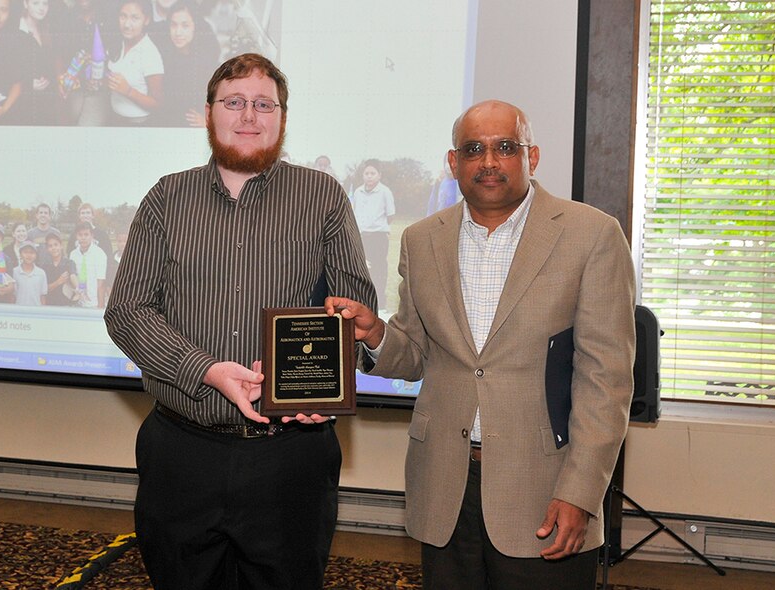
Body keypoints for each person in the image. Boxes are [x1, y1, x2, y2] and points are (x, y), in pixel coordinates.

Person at [326, 100, 636, 590]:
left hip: (544, 489)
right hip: (445, 488)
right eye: (474, 149)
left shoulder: (591, 235)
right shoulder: (422, 240)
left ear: (531, 156)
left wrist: (580, 493)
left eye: (505, 148)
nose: (488, 162)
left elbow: (607, 381)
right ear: (453, 163)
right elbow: (418, 354)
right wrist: (377, 334)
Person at [104, 53, 376, 589]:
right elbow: (127, 312)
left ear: (281, 117)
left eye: (263, 105)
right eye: (234, 102)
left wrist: (322, 383)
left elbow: (351, 313)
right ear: (208, 113)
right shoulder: (166, 198)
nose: (249, 116)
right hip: (182, 454)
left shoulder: (322, 197)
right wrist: (207, 370)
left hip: (289, 461)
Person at [154, 0, 219, 127]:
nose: (178, 32)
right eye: (173, 25)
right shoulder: (163, 53)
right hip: (166, 124)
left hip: (191, 128)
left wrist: (208, 121)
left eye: (185, 26)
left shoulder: (207, 61)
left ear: (196, 27)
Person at [107, 0, 164, 125]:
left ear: (146, 20)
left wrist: (128, 91)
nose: (127, 24)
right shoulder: (117, 43)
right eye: (123, 16)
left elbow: (158, 104)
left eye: (135, 18)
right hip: (113, 117)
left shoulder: (150, 53)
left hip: (137, 123)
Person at [350, 160, 395, 311]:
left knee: (379, 270)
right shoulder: (358, 192)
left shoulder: (385, 192)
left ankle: (380, 304)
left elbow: (390, 215)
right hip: (362, 237)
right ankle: (364, 302)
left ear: (379, 175)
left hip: (379, 237)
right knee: (363, 269)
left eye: (372, 173)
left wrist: (378, 226)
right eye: (366, 173)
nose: (369, 177)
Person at [19, 0, 57, 124]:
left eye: (45, 3)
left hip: (46, 95)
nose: (42, 8)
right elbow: (6, 68)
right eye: (35, 3)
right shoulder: (17, 29)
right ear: (25, 4)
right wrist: (27, 83)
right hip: (23, 98)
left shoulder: (45, 26)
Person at [69, 222, 106, 308]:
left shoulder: (99, 254)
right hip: (78, 302)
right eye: (80, 235)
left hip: (94, 302)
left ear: (92, 236)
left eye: (86, 234)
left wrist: (100, 306)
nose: (83, 238)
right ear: (76, 236)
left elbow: (101, 282)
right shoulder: (73, 254)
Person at [41, 230, 79, 306]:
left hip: (66, 305)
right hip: (49, 305)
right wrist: (59, 281)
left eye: (56, 245)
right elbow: (44, 289)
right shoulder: (44, 266)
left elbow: (73, 276)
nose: (53, 248)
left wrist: (78, 288)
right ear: (47, 249)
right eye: (50, 246)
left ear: (61, 246)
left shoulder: (69, 263)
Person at [12, 240, 48, 305]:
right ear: (20, 254)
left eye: (32, 252)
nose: (29, 255)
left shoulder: (41, 273)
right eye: (25, 252)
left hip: (36, 312)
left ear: (36, 255)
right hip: (18, 311)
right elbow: (12, 296)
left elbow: (42, 296)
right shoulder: (14, 272)